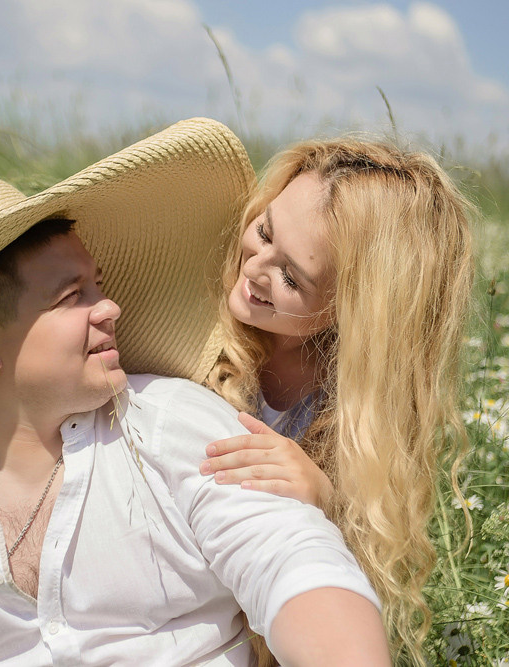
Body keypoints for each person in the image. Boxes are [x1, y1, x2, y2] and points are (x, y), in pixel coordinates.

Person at [0, 119, 390, 665]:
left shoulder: (174, 421)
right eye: (72, 297)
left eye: (97, 283)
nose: (110, 306)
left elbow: (293, 564)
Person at [200, 139, 474, 665]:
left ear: (356, 311)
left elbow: (348, 575)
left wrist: (323, 500)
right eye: (264, 232)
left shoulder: (353, 415)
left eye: (291, 277)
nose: (256, 268)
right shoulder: (192, 334)